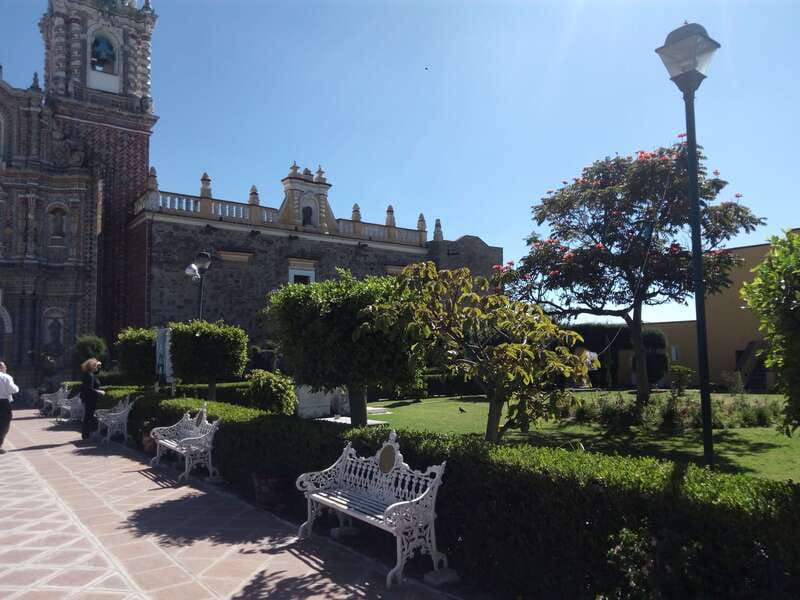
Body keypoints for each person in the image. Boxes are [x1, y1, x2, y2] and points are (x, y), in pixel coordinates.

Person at [80, 358, 105, 441]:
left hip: (88, 398)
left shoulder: (89, 374)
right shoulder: (89, 375)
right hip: (90, 399)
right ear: (92, 366)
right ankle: (87, 436)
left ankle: (86, 435)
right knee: (88, 417)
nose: (97, 367)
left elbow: (96, 373)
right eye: (95, 365)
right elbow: (89, 389)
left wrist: (99, 365)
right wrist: (99, 392)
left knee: (88, 416)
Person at [0, 362, 20, 453]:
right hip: (3, 402)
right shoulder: (6, 377)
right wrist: (17, 387)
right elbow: (13, 389)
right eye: (5, 368)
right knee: (4, 424)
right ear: (2, 368)